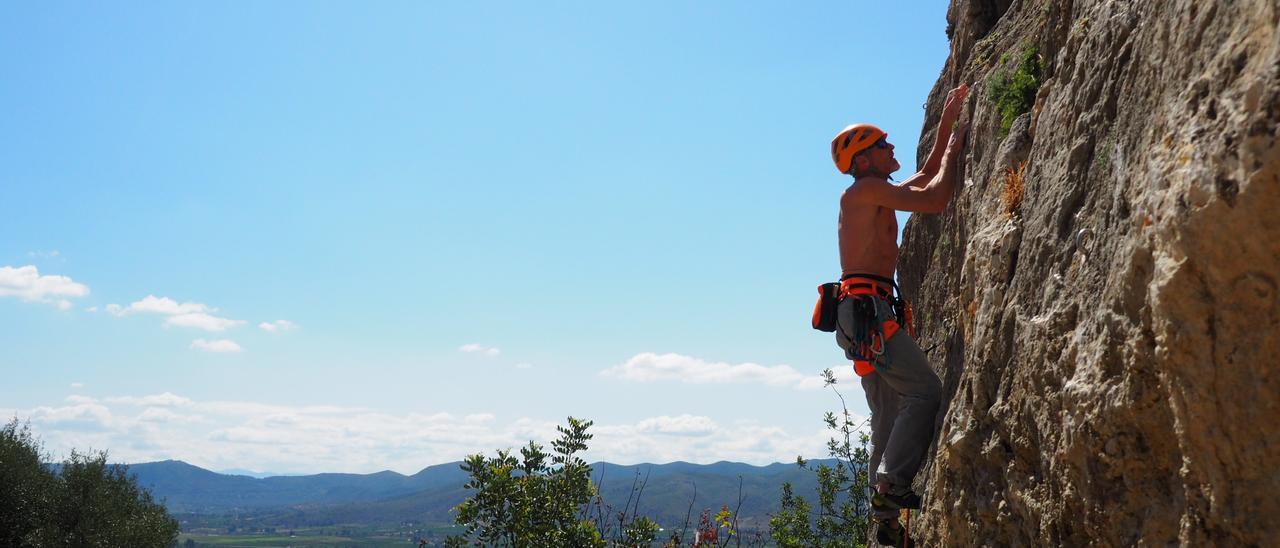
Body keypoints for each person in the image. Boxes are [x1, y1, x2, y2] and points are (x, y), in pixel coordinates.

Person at [829, 83, 969, 546]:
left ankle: (885, 524)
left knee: (887, 417)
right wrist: (957, 143)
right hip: (868, 314)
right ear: (865, 160)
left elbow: (924, 176)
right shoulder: (866, 192)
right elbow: (934, 198)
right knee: (924, 391)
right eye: (883, 145)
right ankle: (890, 491)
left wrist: (948, 120)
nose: (893, 149)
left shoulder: (873, 192)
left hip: (860, 317)